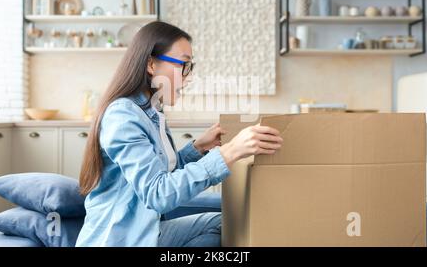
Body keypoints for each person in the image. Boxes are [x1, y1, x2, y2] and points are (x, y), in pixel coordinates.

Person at [76, 21, 283, 247]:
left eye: (190, 67)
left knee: (226, 223)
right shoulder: (123, 116)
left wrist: (197, 149)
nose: (188, 76)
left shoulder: (151, 111)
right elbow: (158, 193)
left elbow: (162, 173)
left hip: (146, 229)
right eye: (183, 65)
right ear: (151, 64)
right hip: (121, 239)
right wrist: (230, 152)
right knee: (224, 225)